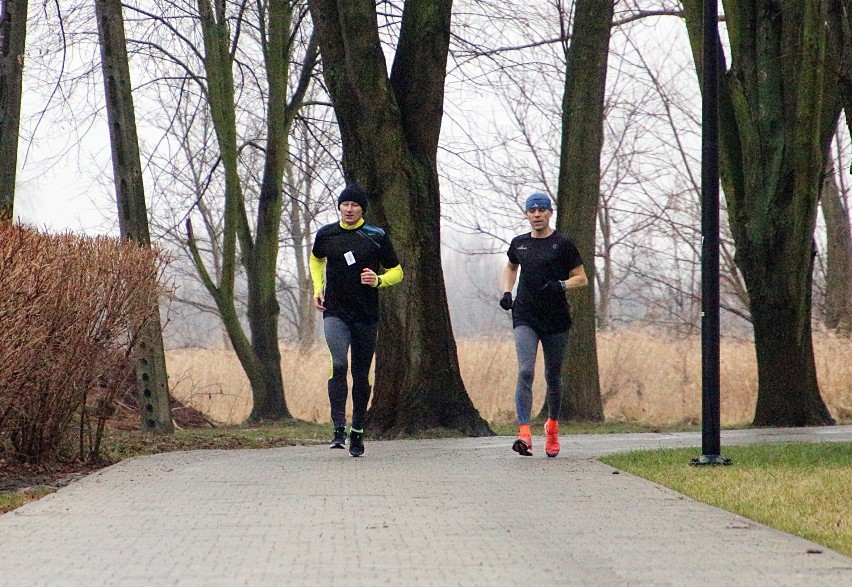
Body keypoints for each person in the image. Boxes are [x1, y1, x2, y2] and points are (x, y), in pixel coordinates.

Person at [309, 181, 403, 457]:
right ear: (339, 207)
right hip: (335, 312)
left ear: (362, 209)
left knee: (361, 374)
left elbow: (397, 271)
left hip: (365, 314)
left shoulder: (376, 235)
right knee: (338, 364)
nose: (349, 209)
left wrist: (379, 280)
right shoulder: (326, 234)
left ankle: (358, 431)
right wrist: (318, 288)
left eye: (355, 205)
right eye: (345, 204)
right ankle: (338, 427)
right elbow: (316, 260)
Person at [499, 192, 588, 457]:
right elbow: (511, 267)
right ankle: (524, 434)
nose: (536, 214)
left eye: (541, 210)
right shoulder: (519, 244)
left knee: (553, 377)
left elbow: (581, 278)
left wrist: (561, 285)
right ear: (526, 215)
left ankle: (552, 427)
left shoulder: (563, 244)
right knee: (525, 371)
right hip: (525, 315)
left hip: (556, 319)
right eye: (531, 210)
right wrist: (507, 292)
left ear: (550, 213)